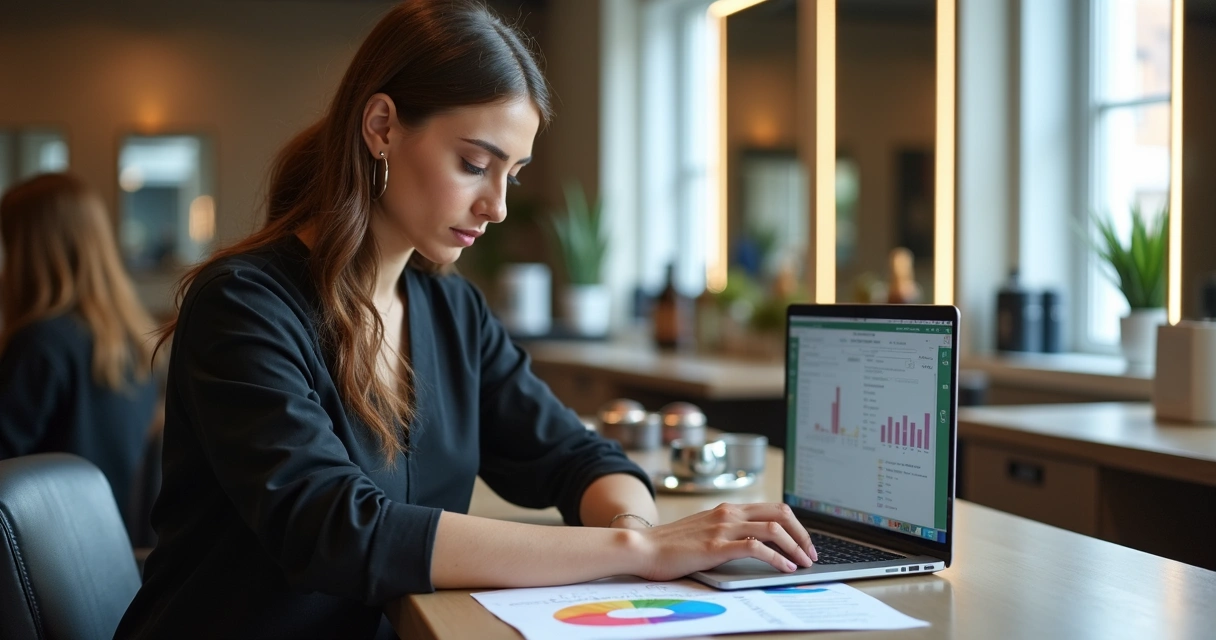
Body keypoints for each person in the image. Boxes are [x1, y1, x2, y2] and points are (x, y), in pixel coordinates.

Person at [116, 2, 816, 638]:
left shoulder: (450, 310)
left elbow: (576, 456)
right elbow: (338, 533)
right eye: (474, 163)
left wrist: (641, 538)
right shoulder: (243, 305)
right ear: (383, 126)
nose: (497, 205)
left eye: (510, 174)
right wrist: (641, 549)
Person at [0, 172, 159, 525]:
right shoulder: (132, 340)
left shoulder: (41, 344)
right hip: (105, 550)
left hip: (41, 553)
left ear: (26, 252)